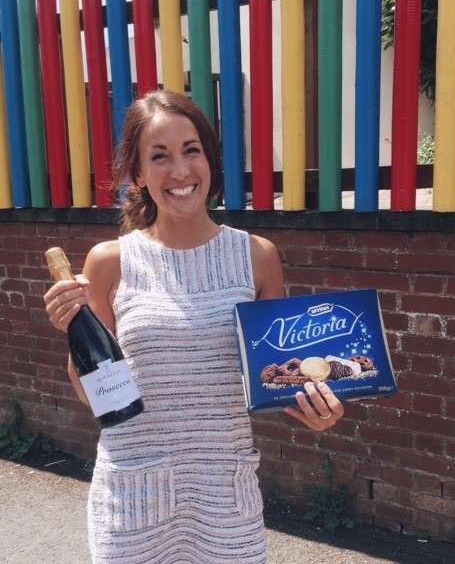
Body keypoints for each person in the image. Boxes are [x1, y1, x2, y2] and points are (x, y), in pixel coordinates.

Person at [44, 90, 344, 564]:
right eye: (159, 156)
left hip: (226, 502)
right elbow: (93, 395)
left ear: (210, 160)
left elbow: (275, 378)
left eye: (191, 150)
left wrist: (315, 408)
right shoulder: (109, 262)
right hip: (133, 500)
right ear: (138, 174)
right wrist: (71, 328)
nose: (180, 170)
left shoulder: (257, 258)